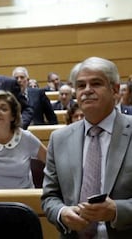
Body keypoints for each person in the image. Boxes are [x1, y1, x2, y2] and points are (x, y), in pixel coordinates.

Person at [41, 56, 132, 238]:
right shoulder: (59, 139)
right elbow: (49, 197)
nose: (87, 91)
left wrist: (117, 210)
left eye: (96, 83)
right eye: (81, 86)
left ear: (115, 90)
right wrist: (62, 213)